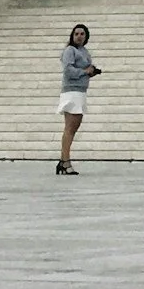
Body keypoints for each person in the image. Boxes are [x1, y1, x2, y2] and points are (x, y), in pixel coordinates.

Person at [56, 23, 99, 175]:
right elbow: (68, 70)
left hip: (80, 91)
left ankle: (62, 160)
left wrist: (91, 72)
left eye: (82, 34)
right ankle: (66, 162)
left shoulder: (84, 51)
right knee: (70, 127)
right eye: (76, 34)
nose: (79, 36)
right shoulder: (70, 50)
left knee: (73, 127)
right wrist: (84, 71)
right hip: (72, 91)